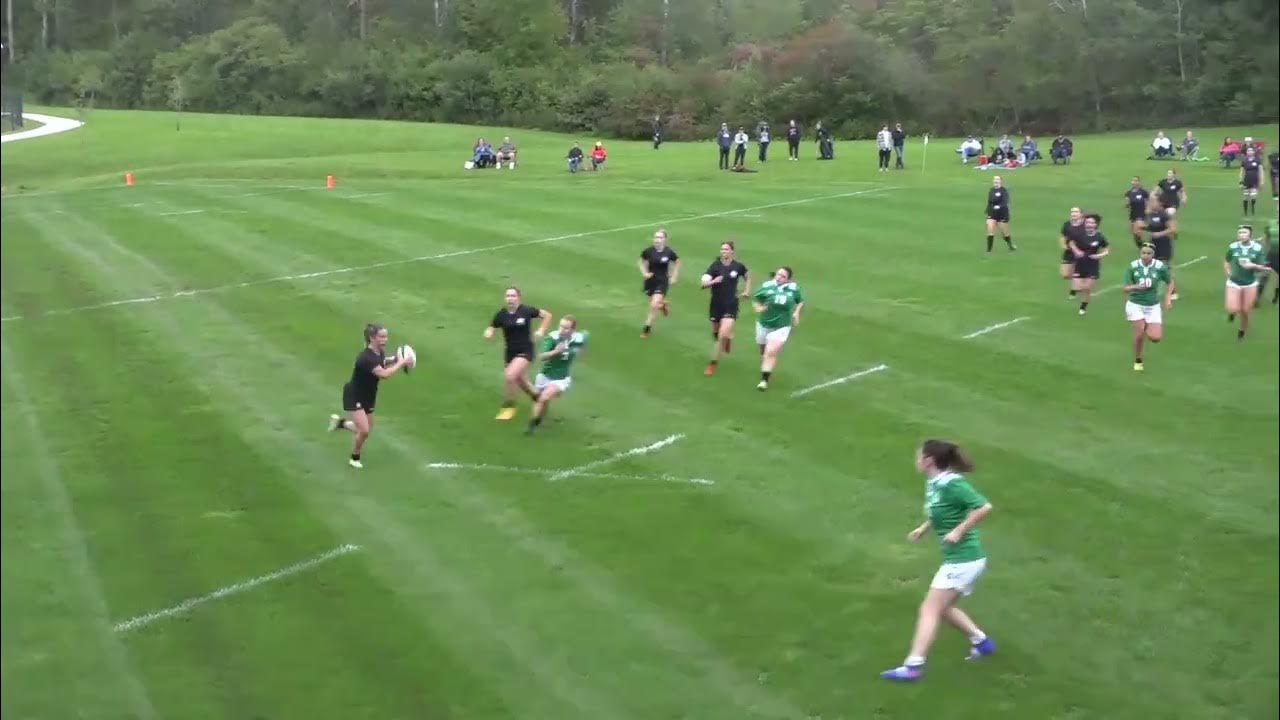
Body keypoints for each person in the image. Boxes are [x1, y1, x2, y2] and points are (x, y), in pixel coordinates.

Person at [880, 440, 996, 682]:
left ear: (929, 460)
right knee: (943, 608)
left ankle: (913, 665)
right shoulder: (935, 483)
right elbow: (941, 510)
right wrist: (924, 528)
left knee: (929, 609)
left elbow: (984, 507)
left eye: (918, 456)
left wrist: (959, 531)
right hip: (962, 559)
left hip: (964, 559)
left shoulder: (953, 484)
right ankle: (981, 642)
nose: (915, 460)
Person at [328, 323, 411, 468]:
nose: (385, 339)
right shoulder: (365, 358)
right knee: (364, 430)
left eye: (386, 336)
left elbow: (382, 363)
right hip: (355, 395)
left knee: (365, 428)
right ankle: (354, 458)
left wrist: (394, 359)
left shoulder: (379, 353)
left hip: (368, 395)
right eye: (382, 337)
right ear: (372, 338)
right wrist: (402, 362)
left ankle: (340, 424)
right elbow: (384, 374)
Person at [484, 287, 552, 420]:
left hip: (525, 350)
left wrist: (541, 330)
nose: (510, 298)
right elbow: (492, 325)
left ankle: (509, 407)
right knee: (520, 380)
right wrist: (489, 332)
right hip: (510, 352)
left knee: (510, 376)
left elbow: (547, 315)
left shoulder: (526, 311)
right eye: (508, 296)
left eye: (513, 296)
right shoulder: (501, 314)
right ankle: (538, 398)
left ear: (518, 297)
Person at [526, 315, 588, 435]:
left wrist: (582, 348)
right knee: (540, 401)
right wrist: (556, 351)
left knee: (544, 397)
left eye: (566, 328)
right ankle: (538, 420)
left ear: (572, 330)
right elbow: (541, 356)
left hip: (561, 378)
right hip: (544, 375)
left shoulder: (578, 338)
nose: (562, 329)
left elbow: (582, 345)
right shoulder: (552, 338)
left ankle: (532, 426)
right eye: (561, 326)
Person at [1122, 243, 1175, 372]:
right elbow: (1125, 288)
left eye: (1148, 253)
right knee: (1139, 334)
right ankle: (1138, 359)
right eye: (1143, 253)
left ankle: (1146, 325)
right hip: (1135, 304)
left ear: (1153, 254)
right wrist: (1136, 287)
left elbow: (1170, 282)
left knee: (1156, 338)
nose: (1145, 256)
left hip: (1153, 305)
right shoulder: (1133, 266)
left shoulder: (1159, 267)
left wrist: (1168, 298)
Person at [701, 241, 751, 376]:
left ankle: (712, 363)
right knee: (716, 334)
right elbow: (703, 284)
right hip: (716, 304)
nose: (723, 251)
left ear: (732, 252)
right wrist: (713, 281)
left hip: (731, 304)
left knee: (721, 334)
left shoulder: (738, 266)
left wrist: (747, 291)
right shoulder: (714, 267)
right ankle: (728, 338)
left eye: (726, 249)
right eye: (722, 249)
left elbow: (747, 276)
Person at [751, 267, 804, 391]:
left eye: (783, 276)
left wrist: (796, 312)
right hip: (764, 324)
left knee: (771, 351)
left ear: (788, 279)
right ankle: (765, 365)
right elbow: (756, 299)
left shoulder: (793, 288)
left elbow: (800, 301)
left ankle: (764, 380)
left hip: (782, 326)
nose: (779, 277)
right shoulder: (767, 286)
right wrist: (758, 307)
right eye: (778, 274)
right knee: (763, 351)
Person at [1224, 225, 1274, 340]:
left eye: (1244, 232)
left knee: (1245, 310)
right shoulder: (1233, 247)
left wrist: (1252, 266)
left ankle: (1242, 330)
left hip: (1250, 283)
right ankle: (1233, 313)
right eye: (1240, 232)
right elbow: (1226, 261)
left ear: (1250, 235)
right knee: (1232, 308)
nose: (1241, 235)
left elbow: (1263, 267)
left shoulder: (1257, 248)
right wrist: (1228, 272)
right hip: (1234, 282)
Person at [638, 229, 680, 338]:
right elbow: (640, 261)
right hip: (650, 281)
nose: (657, 240)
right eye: (656, 237)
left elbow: (678, 262)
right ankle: (662, 305)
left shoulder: (668, 252)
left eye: (660, 237)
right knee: (655, 302)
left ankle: (646, 328)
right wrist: (644, 273)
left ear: (665, 240)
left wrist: (674, 276)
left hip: (662, 281)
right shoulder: (649, 251)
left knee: (653, 305)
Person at [1069, 214, 1110, 316]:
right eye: (1088, 222)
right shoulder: (1079, 234)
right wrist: (1076, 251)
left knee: (1087, 288)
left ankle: (1083, 307)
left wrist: (1099, 255)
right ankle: (1074, 291)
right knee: (1079, 287)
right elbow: (1071, 243)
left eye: (1092, 223)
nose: (1089, 224)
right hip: (1080, 264)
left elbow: (1107, 249)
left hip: (1092, 265)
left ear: (1096, 224)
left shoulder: (1099, 237)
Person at [1060, 207, 1087, 298]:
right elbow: (1063, 237)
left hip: (1080, 253)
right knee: (1065, 274)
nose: (1073, 213)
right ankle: (1079, 280)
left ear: (1081, 214)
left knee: (1077, 273)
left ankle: (1074, 290)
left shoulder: (1085, 226)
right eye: (1072, 212)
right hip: (1069, 252)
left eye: (1076, 212)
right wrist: (1063, 245)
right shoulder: (1067, 225)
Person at [984, 176, 1015, 253]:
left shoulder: (1003, 191)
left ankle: (1010, 245)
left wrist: (999, 206)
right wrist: (987, 210)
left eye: (997, 179)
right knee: (990, 231)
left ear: (1001, 181)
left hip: (1002, 214)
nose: (995, 181)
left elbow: (1005, 201)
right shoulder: (991, 190)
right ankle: (989, 250)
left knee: (1004, 233)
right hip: (992, 213)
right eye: (994, 179)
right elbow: (989, 201)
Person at [1124, 176, 1150, 248]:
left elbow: (1148, 201)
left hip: (1141, 214)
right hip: (1133, 215)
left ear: (1139, 182)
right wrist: (1127, 204)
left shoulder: (1143, 192)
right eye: (1133, 181)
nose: (1134, 182)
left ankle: (1145, 245)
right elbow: (1127, 204)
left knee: (1137, 231)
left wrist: (1147, 209)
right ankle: (1141, 246)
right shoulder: (1128, 193)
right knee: (1134, 234)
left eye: (1135, 181)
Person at [1241, 147, 1262, 217]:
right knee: (1245, 197)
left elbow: (1260, 171)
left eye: (1251, 150)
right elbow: (1242, 172)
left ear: (1253, 152)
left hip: (1254, 180)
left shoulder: (1257, 160)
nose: (1250, 152)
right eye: (1248, 150)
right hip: (1246, 180)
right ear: (1246, 152)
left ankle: (1252, 206)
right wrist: (1240, 182)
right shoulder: (1244, 161)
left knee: (1253, 196)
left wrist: (1261, 181)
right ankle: (1245, 212)